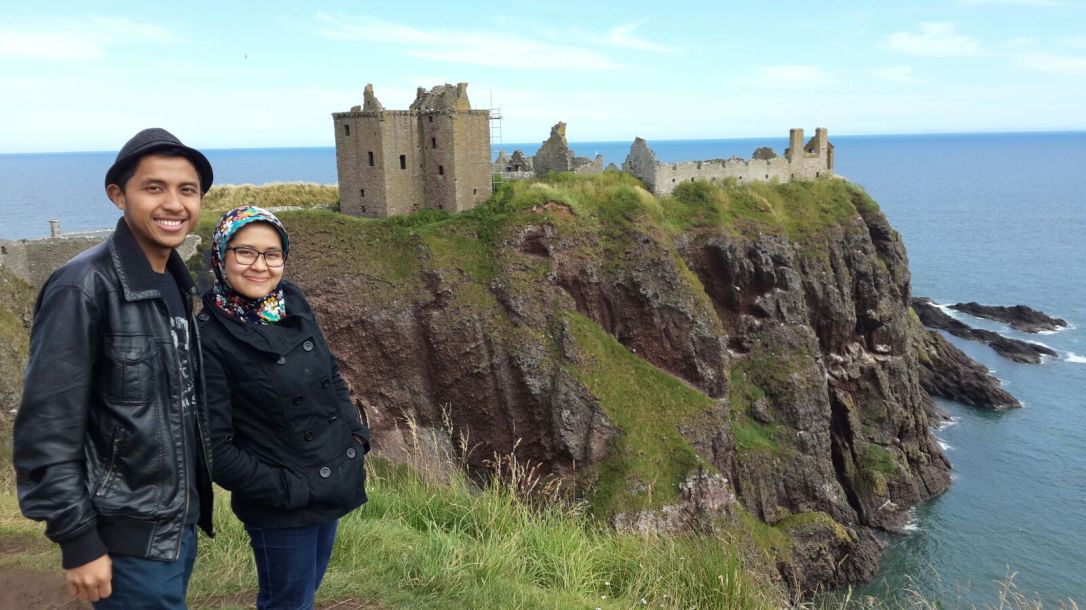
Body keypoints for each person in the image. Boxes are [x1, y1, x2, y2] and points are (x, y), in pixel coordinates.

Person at [14, 127, 216, 608]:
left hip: (173, 522)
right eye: (154, 188)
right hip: (125, 534)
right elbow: (46, 428)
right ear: (117, 195)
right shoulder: (83, 286)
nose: (174, 204)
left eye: (187, 190)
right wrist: (78, 541)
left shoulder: (172, 281)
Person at [197, 206, 370, 610]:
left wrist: (356, 435)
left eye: (272, 254)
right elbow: (215, 451)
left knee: (304, 595)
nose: (261, 265)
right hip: (281, 503)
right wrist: (291, 489)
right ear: (221, 257)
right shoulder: (209, 338)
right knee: (288, 603)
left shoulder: (290, 301)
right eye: (245, 252)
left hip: (330, 478)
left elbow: (330, 374)